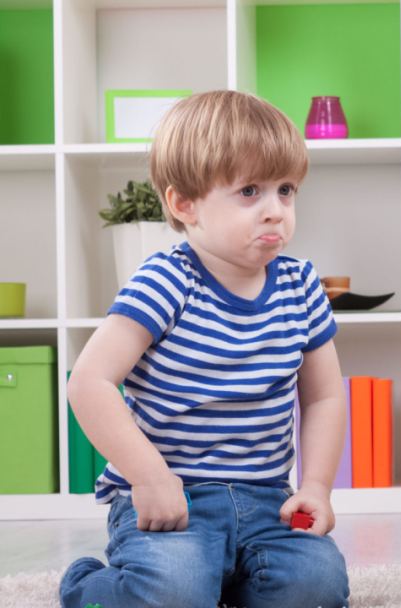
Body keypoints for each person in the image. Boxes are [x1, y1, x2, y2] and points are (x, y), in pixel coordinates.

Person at [60, 91, 350, 608]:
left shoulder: (301, 285)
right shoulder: (166, 281)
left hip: (268, 502)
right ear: (183, 204)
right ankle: (88, 584)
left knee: (317, 586)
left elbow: (325, 396)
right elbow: (89, 382)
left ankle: (228, 583)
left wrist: (317, 487)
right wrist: (150, 478)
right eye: (249, 191)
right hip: (173, 498)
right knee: (173, 589)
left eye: (286, 191)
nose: (274, 211)